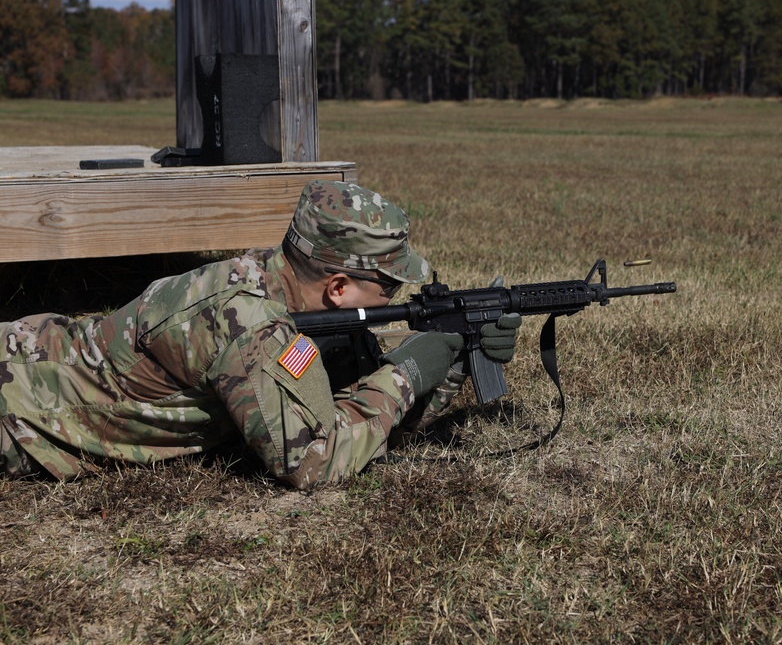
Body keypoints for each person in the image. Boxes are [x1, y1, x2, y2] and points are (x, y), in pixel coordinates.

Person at [0, 181, 520, 489]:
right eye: (387, 284)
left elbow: (352, 412)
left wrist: (451, 360)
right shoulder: (250, 325)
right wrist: (407, 372)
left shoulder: (275, 283)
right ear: (338, 287)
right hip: (16, 407)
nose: (395, 296)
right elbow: (311, 461)